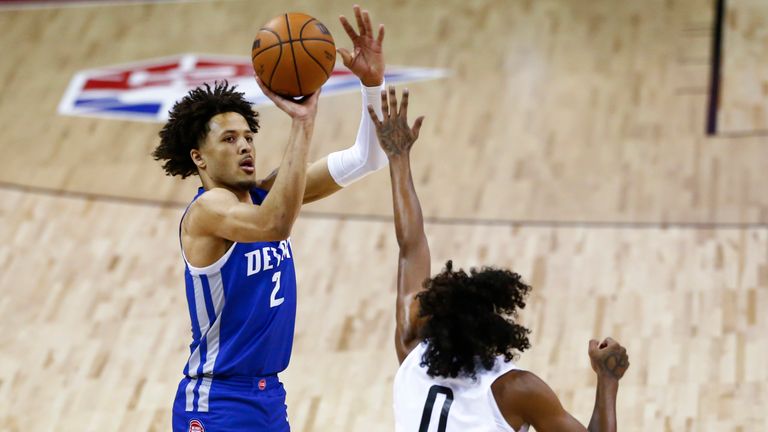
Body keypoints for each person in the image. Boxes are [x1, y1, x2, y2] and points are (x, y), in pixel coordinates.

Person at [151, 6, 388, 431]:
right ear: (198, 157)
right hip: (216, 400)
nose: (245, 146)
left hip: (268, 397)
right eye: (229, 139)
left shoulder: (266, 195)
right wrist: (303, 122)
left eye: (248, 136)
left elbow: (367, 159)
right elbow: (274, 225)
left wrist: (372, 86)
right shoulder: (207, 212)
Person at [368, 87, 631, 432]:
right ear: (496, 326)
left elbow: (411, 247)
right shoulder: (515, 390)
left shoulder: (411, 350)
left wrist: (398, 159)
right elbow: (411, 247)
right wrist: (608, 380)